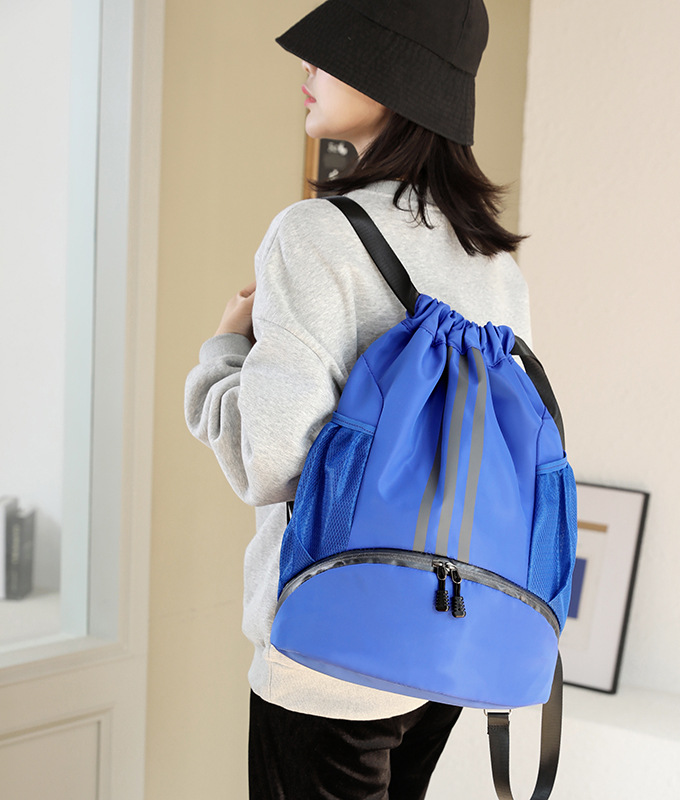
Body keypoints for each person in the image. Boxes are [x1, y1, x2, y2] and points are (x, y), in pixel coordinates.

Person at [185, 1, 533, 797]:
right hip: (452, 639)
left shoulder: (312, 235)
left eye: (335, 52)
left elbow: (270, 463)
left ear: (393, 76)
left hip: (332, 654)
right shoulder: (495, 265)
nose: (309, 67)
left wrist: (223, 353)